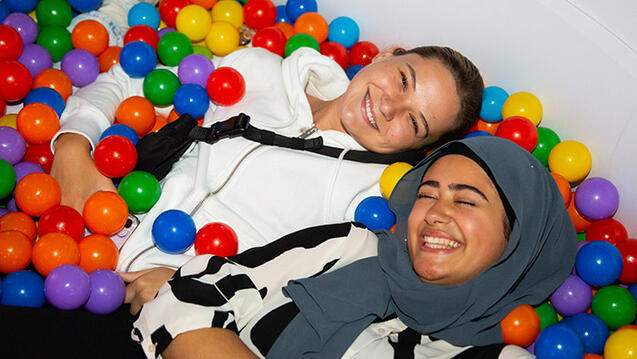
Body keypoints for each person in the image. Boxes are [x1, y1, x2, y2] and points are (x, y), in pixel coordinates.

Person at [51, 43, 484, 273]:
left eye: (414, 122)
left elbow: (287, 286)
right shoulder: (260, 68)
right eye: (402, 80)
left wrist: (188, 291)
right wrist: (72, 147)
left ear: (420, 147)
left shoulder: (371, 198)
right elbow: (131, 78)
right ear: (386, 54)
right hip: (68, 222)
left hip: (149, 308)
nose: (390, 108)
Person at [130, 136, 578, 358]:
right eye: (427, 193)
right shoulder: (349, 246)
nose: (436, 212)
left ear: (517, 236)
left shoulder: (501, 354)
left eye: (465, 200)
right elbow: (182, 301)